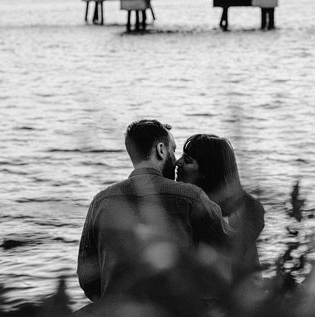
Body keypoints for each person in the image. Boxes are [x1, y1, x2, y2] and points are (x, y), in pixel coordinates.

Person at [77, 119, 230, 306]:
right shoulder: (192, 197)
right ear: (160, 150)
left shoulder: (100, 202)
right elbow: (230, 254)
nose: (176, 161)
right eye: (173, 150)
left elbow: (87, 277)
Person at [176, 133, 265, 282]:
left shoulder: (241, 213)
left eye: (187, 160)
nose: (177, 163)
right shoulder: (185, 204)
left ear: (206, 171)